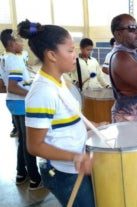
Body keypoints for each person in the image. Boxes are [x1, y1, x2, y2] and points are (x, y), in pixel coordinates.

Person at [18, 20, 95, 206]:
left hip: (74, 167)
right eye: (70, 50)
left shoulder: (59, 81)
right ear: (52, 55)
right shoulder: (43, 92)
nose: (75, 55)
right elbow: (34, 146)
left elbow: (69, 118)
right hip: (63, 172)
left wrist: (96, 127)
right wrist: (75, 157)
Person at [0, 29, 42, 189]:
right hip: (21, 104)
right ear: (11, 44)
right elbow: (12, 87)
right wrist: (32, 93)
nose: (22, 44)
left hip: (13, 104)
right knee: (29, 143)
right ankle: (34, 178)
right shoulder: (15, 61)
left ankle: (21, 173)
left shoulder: (5, 58)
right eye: (19, 41)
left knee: (23, 141)